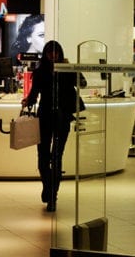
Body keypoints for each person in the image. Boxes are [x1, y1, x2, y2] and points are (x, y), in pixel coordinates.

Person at [21, 40, 85, 212]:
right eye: (50, 53)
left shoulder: (66, 69)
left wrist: (71, 68)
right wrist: (28, 101)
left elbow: (82, 83)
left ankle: (52, 196)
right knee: (43, 157)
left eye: (56, 52)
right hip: (46, 117)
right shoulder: (40, 71)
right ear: (46, 54)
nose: (53, 56)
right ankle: (48, 188)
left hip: (62, 117)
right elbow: (34, 94)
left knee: (56, 157)